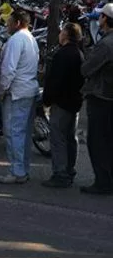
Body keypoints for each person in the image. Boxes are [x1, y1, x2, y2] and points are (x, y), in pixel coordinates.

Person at [0, 9, 40, 184]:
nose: (7, 25)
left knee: (14, 133)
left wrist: (1, 90)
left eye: (9, 22)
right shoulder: (31, 39)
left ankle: (17, 171)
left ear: (18, 23)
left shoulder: (16, 40)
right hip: (28, 90)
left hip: (17, 92)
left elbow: (8, 70)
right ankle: (22, 168)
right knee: (23, 133)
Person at [41, 22, 84, 188]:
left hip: (62, 102)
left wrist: (47, 100)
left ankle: (60, 173)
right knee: (70, 137)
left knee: (58, 138)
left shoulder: (63, 54)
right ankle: (69, 169)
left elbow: (55, 81)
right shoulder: (78, 53)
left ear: (66, 35)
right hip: (74, 102)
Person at [80, 3, 113, 195]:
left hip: (101, 96)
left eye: (101, 17)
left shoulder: (106, 45)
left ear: (105, 20)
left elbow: (86, 69)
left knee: (98, 141)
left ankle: (103, 181)